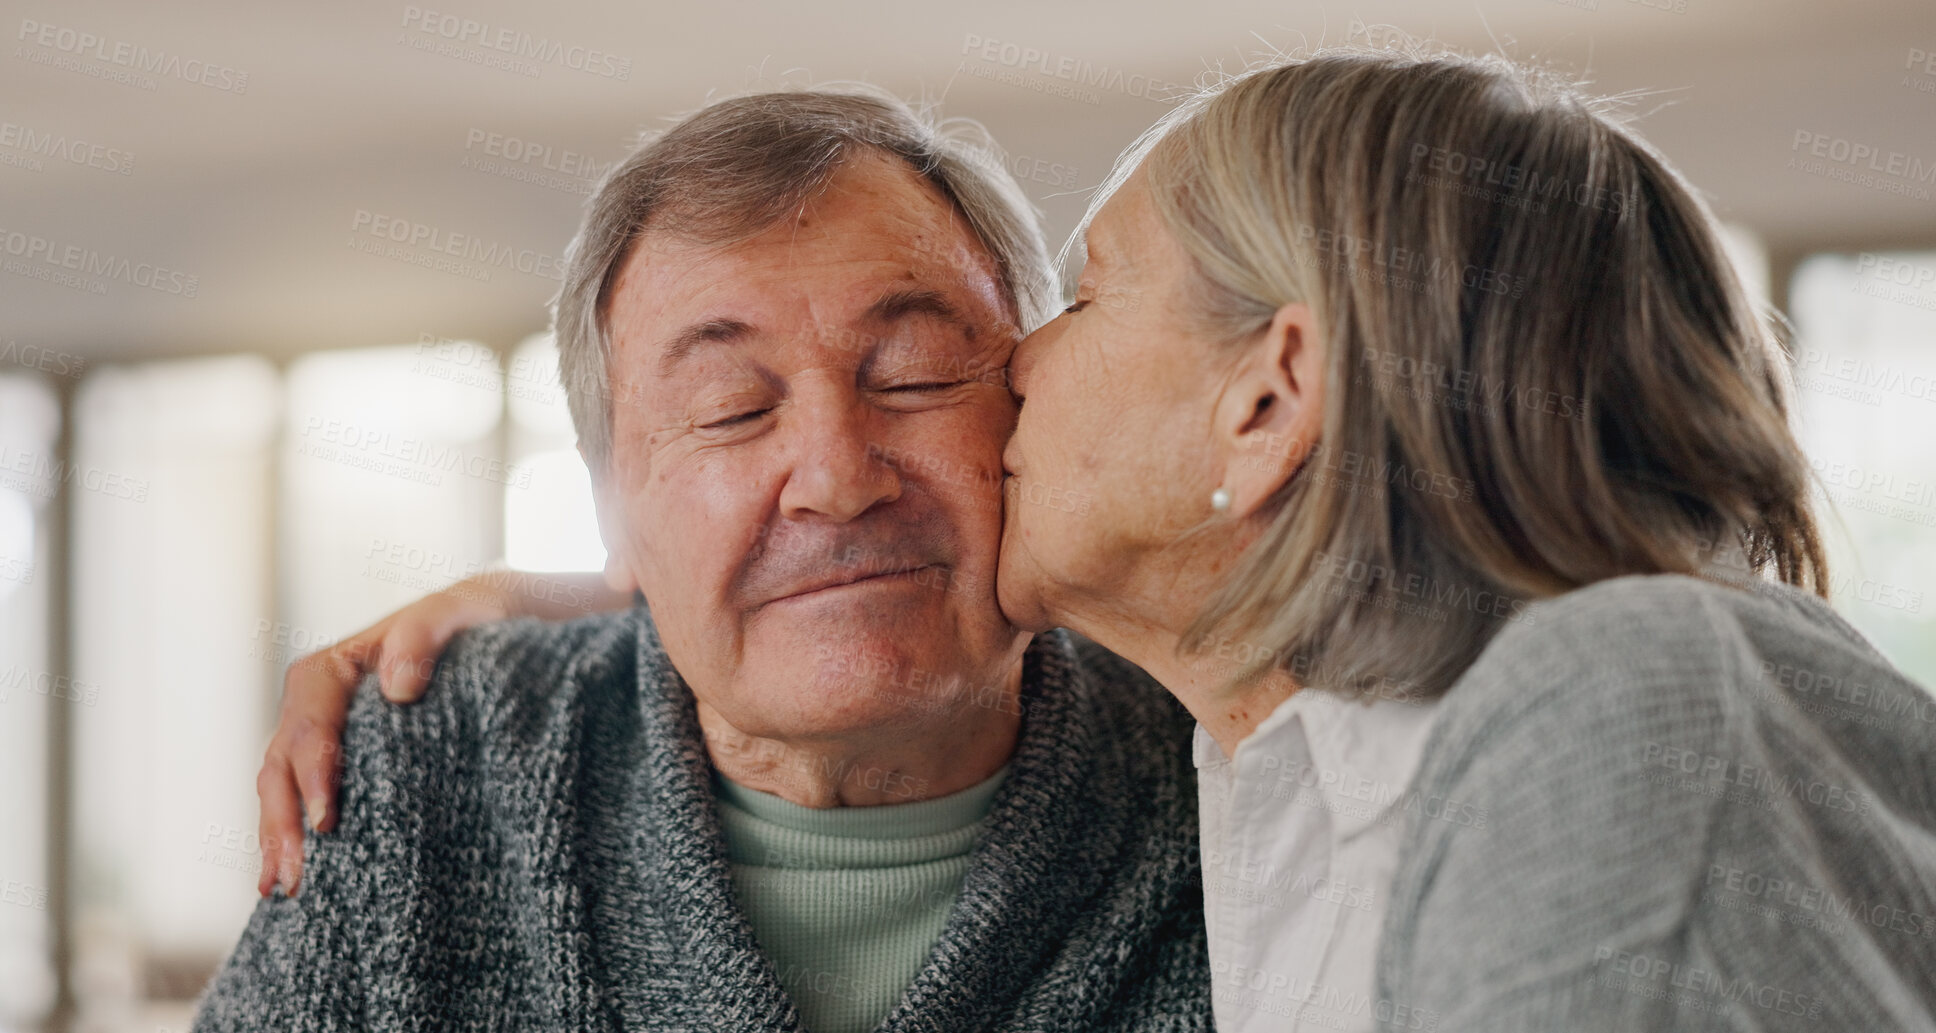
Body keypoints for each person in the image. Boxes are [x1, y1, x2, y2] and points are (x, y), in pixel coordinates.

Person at [253, 48, 1936, 1033]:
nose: (838, 475)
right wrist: (618, 604)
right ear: (612, 483)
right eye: (729, 417)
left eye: (936, 368)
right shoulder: (1272, 764)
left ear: (1267, 403)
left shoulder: (1505, 736)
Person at [193, 87, 1212, 1033]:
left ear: (1030, 411)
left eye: (915, 376)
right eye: (731, 408)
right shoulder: (430, 764)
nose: (835, 477)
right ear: (611, 505)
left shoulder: (1223, 759)